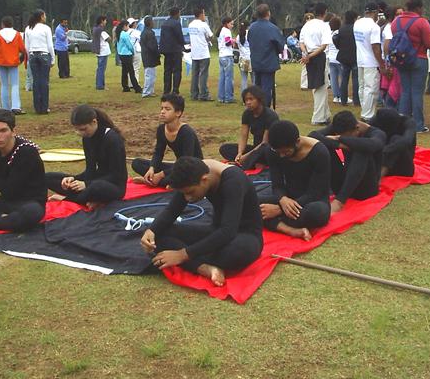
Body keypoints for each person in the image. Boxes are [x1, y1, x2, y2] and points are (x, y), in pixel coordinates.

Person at [142, 157, 263, 287]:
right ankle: (205, 268)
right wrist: (152, 230)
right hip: (216, 232)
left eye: (190, 192)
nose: (187, 198)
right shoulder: (194, 173)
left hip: (244, 236)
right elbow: (172, 210)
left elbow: (228, 231)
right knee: (159, 235)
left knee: (237, 252)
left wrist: (183, 254)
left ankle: (194, 262)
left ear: (204, 180)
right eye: (184, 194)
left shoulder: (233, 181)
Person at [259, 120, 331, 240]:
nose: (281, 156)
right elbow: (277, 185)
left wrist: (279, 210)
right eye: (279, 152)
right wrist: (282, 199)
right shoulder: (272, 152)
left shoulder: (319, 152)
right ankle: (290, 230)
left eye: (286, 152)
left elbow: (316, 192)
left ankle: (271, 221)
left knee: (316, 214)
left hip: (311, 201)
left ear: (297, 142)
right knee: (250, 203)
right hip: (287, 198)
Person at [46, 105, 127, 206]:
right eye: (78, 130)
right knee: (48, 177)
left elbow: (116, 175)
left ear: (94, 122)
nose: (80, 133)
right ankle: (87, 199)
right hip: (93, 182)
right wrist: (74, 179)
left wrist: (86, 184)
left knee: (96, 186)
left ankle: (68, 200)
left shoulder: (112, 139)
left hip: (112, 186)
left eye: (83, 129)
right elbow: (90, 169)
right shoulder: (87, 138)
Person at [310, 111, 386, 212]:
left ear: (357, 128)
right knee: (322, 146)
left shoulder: (376, 133)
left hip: (366, 189)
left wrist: (340, 139)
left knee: (362, 150)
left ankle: (339, 201)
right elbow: (312, 136)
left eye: (347, 136)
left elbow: (372, 144)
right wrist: (338, 145)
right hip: (343, 182)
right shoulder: (340, 127)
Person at [131, 93, 204, 186]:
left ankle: (155, 181)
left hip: (192, 168)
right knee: (137, 163)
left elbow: (187, 161)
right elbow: (158, 152)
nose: (162, 112)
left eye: (167, 109)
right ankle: (157, 180)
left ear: (178, 113)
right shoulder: (161, 129)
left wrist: (162, 174)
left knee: (182, 175)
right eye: (162, 108)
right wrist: (152, 168)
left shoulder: (186, 132)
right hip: (178, 166)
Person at [391, 0, 430, 132]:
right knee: (417, 92)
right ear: (418, 8)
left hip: (401, 60)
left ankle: (403, 124)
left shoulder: (396, 21)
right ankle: (418, 125)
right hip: (418, 59)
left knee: (405, 92)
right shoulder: (421, 22)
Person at [218, 85, 279, 170]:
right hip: (255, 148)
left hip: (268, 149)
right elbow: (244, 135)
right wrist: (240, 153)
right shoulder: (247, 114)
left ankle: (247, 164)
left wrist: (246, 156)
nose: (248, 102)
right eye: (246, 100)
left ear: (259, 100)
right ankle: (250, 162)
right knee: (225, 148)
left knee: (263, 150)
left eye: (251, 99)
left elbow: (265, 143)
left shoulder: (270, 116)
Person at [246, 4, 285, 108]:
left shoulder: (252, 28)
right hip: (269, 62)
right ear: (268, 13)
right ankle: (264, 109)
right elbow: (280, 46)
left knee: (257, 87)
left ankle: (256, 106)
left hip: (256, 61)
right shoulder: (273, 28)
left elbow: (250, 41)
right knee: (267, 88)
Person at [300, 3, 332, 125]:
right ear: (325, 12)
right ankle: (318, 117)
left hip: (309, 55)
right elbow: (324, 46)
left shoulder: (307, 25)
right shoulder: (324, 26)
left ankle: (326, 114)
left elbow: (301, 42)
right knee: (320, 87)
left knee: (319, 84)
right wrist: (311, 55)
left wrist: (306, 54)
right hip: (318, 57)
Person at [0, 16, 27, 114]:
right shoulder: (17, 34)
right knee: (14, 84)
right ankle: (16, 106)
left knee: (4, 85)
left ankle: (5, 107)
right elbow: (22, 48)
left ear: (2, 24)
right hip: (13, 62)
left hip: (1, 61)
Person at [353, 3, 384, 120]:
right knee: (371, 88)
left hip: (360, 59)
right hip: (371, 61)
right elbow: (375, 47)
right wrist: (381, 63)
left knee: (362, 87)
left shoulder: (358, 23)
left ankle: (364, 109)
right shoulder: (374, 27)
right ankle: (368, 114)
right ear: (375, 12)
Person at [371, 108, 416, 177]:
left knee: (396, 139)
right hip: (380, 161)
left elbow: (407, 141)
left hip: (403, 166)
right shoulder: (375, 121)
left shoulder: (408, 122)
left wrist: (384, 150)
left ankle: (379, 176)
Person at [24, 10, 55, 114]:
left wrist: (29, 57)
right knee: (44, 82)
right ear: (41, 16)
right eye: (44, 15)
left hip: (33, 55)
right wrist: (53, 58)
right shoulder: (46, 28)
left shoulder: (28, 28)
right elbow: (50, 45)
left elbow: (26, 46)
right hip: (44, 55)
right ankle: (44, 107)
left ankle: (37, 107)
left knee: (36, 82)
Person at [188, 7, 214, 101]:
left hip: (194, 53)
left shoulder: (191, 25)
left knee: (194, 74)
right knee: (203, 74)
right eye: (204, 14)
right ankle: (204, 94)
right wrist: (207, 39)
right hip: (203, 53)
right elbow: (211, 36)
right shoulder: (203, 25)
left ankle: (194, 94)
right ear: (201, 14)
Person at [159, 7, 186, 95]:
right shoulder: (176, 23)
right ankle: (175, 89)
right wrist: (183, 45)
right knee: (177, 70)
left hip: (167, 51)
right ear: (177, 13)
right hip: (175, 50)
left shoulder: (164, 23)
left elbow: (162, 38)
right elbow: (180, 36)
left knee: (167, 70)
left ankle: (166, 90)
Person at [335, 10, 358, 106]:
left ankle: (343, 100)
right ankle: (357, 100)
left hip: (343, 56)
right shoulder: (356, 28)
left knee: (344, 79)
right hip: (355, 56)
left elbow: (337, 41)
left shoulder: (342, 28)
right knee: (356, 79)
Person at [117, 19, 142, 93]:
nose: (128, 27)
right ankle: (136, 87)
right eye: (127, 26)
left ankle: (125, 86)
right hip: (127, 54)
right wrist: (132, 51)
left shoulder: (119, 33)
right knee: (131, 72)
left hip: (121, 54)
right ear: (124, 26)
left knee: (124, 71)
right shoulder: (125, 34)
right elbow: (129, 45)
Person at [217, 16, 236, 104]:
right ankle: (228, 97)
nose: (232, 25)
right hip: (227, 56)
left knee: (222, 78)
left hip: (221, 56)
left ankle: (221, 97)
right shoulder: (227, 31)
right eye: (231, 24)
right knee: (229, 78)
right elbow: (228, 43)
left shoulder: (221, 31)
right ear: (227, 24)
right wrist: (233, 41)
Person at [140, 15, 160, 98]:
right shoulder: (149, 33)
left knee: (151, 75)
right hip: (149, 56)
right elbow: (152, 46)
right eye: (152, 21)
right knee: (149, 75)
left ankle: (150, 91)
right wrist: (157, 52)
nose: (153, 23)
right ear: (149, 23)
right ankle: (146, 92)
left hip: (146, 56)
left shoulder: (144, 32)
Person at [92, 15, 110, 90]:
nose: (106, 22)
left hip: (99, 51)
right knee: (101, 69)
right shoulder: (101, 30)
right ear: (102, 21)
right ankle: (100, 85)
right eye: (105, 20)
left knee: (100, 68)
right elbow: (108, 38)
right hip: (103, 51)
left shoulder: (95, 29)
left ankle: (100, 84)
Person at [328, 16, 343, 103]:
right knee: (342, 78)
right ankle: (341, 95)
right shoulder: (339, 33)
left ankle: (335, 96)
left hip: (331, 58)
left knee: (333, 78)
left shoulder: (330, 34)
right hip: (338, 58)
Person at [237, 20, 251, 92]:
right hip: (251, 58)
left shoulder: (238, 36)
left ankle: (244, 98)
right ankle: (254, 97)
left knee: (244, 79)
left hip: (242, 58)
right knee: (254, 79)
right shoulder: (250, 33)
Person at [128, 17, 143, 83]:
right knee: (136, 68)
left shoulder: (125, 32)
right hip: (136, 50)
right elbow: (141, 39)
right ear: (133, 24)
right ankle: (135, 83)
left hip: (128, 51)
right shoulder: (136, 32)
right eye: (135, 22)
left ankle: (130, 83)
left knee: (129, 68)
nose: (136, 23)